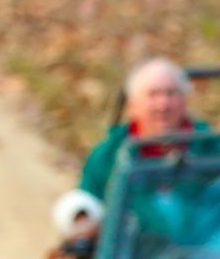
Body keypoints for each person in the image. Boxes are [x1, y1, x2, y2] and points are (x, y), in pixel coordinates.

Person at [79, 58, 206, 201]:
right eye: (153, 94)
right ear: (133, 105)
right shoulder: (110, 154)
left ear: (185, 101)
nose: (163, 105)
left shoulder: (212, 147)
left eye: (171, 93)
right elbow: (86, 203)